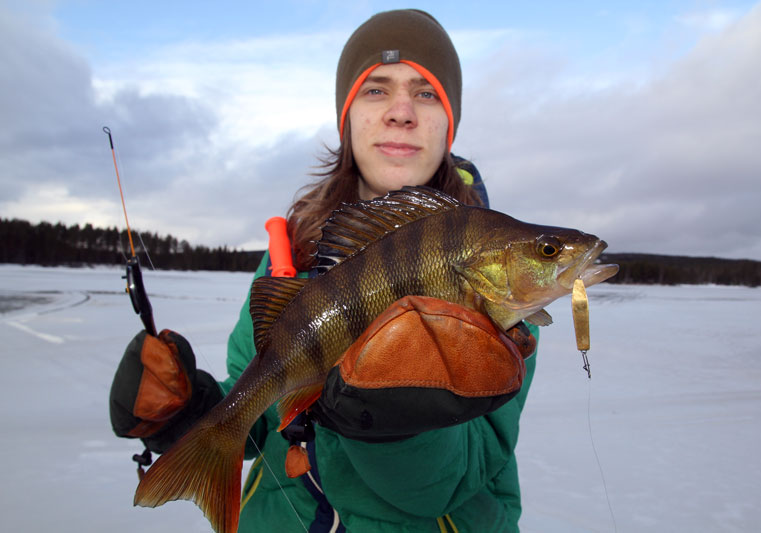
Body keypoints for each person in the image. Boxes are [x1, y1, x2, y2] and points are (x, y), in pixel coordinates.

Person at [110, 9, 538, 533]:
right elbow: (266, 402)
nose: (402, 111)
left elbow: (453, 483)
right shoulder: (290, 261)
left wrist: (388, 425)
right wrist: (193, 411)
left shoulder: (503, 308)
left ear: (450, 122)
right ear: (347, 114)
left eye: (426, 93)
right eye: (377, 90)